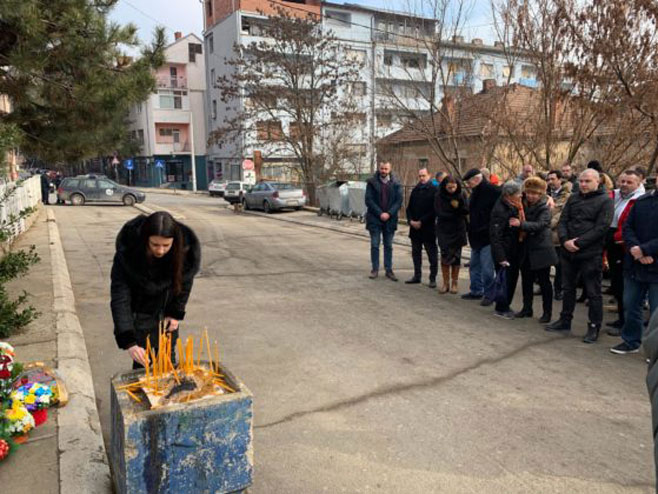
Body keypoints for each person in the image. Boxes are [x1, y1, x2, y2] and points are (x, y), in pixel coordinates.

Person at [111, 211, 201, 368]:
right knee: (142, 367)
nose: (160, 250)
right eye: (155, 244)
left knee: (168, 368)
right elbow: (120, 297)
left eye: (166, 245)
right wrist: (129, 341)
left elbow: (185, 283)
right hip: (140, 315)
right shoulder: (128, 255)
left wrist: (175, 313)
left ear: (175, 241)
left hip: (166, 317)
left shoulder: (185, 252)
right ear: (145, 239)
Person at [546, 169, 614, 343]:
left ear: (597, 182)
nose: (583, 184)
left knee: (593, 292)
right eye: (582, 181)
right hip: (568, 251)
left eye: (588, 181)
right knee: (568, 288)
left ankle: (593, 327)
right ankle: (565, 320)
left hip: (590, 254)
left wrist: (579, 243)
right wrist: (565, 240)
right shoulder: (574, 198)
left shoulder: (605, 201)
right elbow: (563, 221)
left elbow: (602, 227)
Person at [610, 185, 658, 354]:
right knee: (630, 304)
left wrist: (645, 250)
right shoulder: (642, 201)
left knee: (656, 312)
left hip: (655, 265)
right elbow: (628, 227)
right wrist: (636, 249)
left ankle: (654, 351)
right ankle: (631, 341)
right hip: (635, 263)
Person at [605, 170, 645, 333]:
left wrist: (619, 237)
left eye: (629, 182)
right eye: (622, 181)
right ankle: (621, 318)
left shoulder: (640, 200)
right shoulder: (614, 195)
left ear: (638, 183)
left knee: (626, 286)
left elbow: (632, 225)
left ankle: (627, 323)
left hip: (626, 244)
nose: (624, 185)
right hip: (612, 240)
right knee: (616, 283)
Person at [515, 177, 558, 323]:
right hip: (526, 248)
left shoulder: (544, 207)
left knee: (544, 282)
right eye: (529, 193)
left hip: (541, 249)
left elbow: (541, 225)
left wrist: (521, 224)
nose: (531, 196)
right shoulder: (521, 204)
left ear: (540, 195)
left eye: (535, 193)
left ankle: (547, 313)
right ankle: (527, 308)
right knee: (526, 280)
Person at [461, 168, 501, 304]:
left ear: (477, 180)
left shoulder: (493, 191)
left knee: (487, 269)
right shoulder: (475, 193)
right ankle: (476, 290)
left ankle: (490, 294)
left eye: (469, 182)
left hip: (487, 236)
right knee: (474, 266)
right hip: (475, 235)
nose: (468, 185)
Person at [489, 181, 523, 319]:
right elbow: (495, 235)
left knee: (511, 280)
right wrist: (501, 257)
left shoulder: (511, 205)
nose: (520, 196)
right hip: (504, 252)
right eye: (518, 194)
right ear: (509, 195)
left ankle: (504, 305)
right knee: (505, 281)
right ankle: (501, 308)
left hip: (512, 249)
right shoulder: (500, 210)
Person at [365, 161, 403, 281]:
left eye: (386, 169)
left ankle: (389, 270)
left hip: (390, 220)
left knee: (388, 246)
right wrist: (380, 213)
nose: (383, 171)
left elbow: (399, 201)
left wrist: (389, 213)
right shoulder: (371, 182)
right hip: (375, 219)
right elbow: (368, 200)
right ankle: (375, 269)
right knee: (375, 245)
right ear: (379, 168)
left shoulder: (396, 183)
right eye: (382, 168)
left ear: (390, 169)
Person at [435, 175, 468, 294]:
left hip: (458, 229)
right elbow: (439, 212)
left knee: (456, 255)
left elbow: (466, 210)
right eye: (449, 188)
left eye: (453, 187)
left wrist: (458, 206)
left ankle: (454, 283)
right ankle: (445, 283)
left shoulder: (461, 194)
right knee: (445, 254)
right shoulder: (439, 196)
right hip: (444, 229)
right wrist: (454, 213)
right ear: (445, 186)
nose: (452, 190)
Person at [405, 168, 438, 287]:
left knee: (431, 254)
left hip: (428, 228)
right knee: (416, 253)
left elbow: (434, 210)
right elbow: (409, 208)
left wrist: (421, 221)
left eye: (423, 176)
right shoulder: (415, 190)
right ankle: (417, 275)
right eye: (420, 176)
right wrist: (411, 221)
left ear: (429, 175)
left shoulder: (434, 190)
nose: (421, 178)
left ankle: (432, 278)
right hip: (415, 228)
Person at [547, 169, 572, 301]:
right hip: (545, 235)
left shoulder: (567, 196)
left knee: (560, 266)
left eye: (553, 179)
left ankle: (558, 290)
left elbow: (561, 215)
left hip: (557, 235)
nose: (550, 182)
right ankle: (544, 287)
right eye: (548, 179)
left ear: (560, 180)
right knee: (544, 264)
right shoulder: (545, 194)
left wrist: (548, 224)